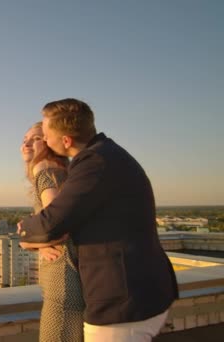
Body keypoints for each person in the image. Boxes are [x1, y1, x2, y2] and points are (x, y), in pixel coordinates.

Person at [17, 98, 178, 342]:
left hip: (123, 303)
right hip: (140, 292)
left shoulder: (94, 163)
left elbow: (52, 225)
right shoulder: (106, 155)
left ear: (66, 140)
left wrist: (23, 232)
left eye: (45, 136)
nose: (44, 141)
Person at [20, 122, 85, 342]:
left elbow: (56, 225)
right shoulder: (63, 172)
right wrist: (41, 243)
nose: (27, 144)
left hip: (63, 279)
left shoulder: (46, 170)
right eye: (25, 139)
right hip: (68, 273)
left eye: (36, 138)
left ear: (49, 141)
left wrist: (27, 243)